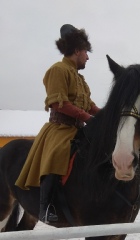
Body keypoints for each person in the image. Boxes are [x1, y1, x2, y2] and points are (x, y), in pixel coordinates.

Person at [15, 24, 100, 223]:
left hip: (78, 128)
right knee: (57, 154)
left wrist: (108, 115)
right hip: (60, 128)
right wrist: (88, 118)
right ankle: (46, 207)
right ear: (77, 50)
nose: (88, 57)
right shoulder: (58, 70)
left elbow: (89, 105)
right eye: (86, 52)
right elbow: (57, 102)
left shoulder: (79, 78)